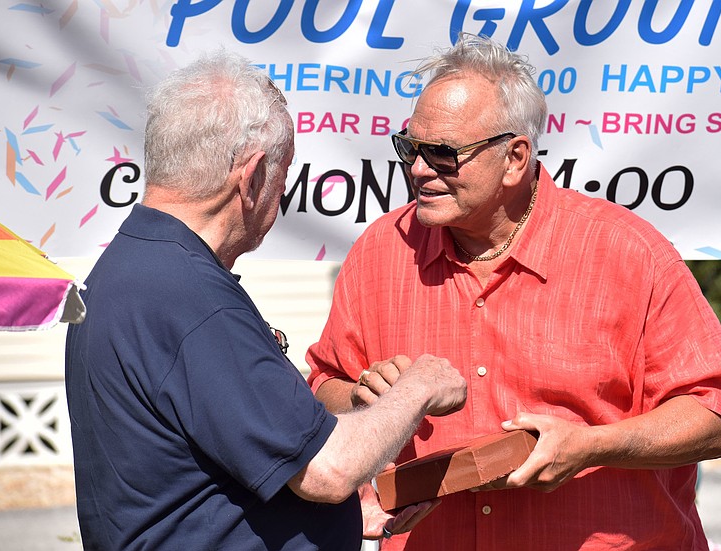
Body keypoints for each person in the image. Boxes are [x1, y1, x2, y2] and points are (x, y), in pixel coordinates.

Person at [306, 34, 721, 550]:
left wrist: (591, 446)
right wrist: (366, 396)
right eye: (408, 147)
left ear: (515, 158)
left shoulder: (626, 251)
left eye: (442, 154)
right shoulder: (381, 251)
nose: (418, 169)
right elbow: (327, 382)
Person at [64, 49, 467, 551]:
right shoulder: (190, 298)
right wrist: (421, 386)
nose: (281, 195)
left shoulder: (134, 265)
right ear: (252, 177)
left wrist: (338, 513)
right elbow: (328, 469)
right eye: (284, 175)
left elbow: (211, 461)